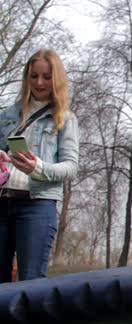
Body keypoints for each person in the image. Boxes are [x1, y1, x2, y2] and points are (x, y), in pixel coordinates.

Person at [0, 49, 79, 283]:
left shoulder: (65, 119)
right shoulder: (7, 115)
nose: (39, 82)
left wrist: (38, 168)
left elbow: (71, 166)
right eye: (33, 76)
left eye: (46, 77)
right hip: (2, 202)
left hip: (37, 205)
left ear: (56, 80)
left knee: (31, 282)